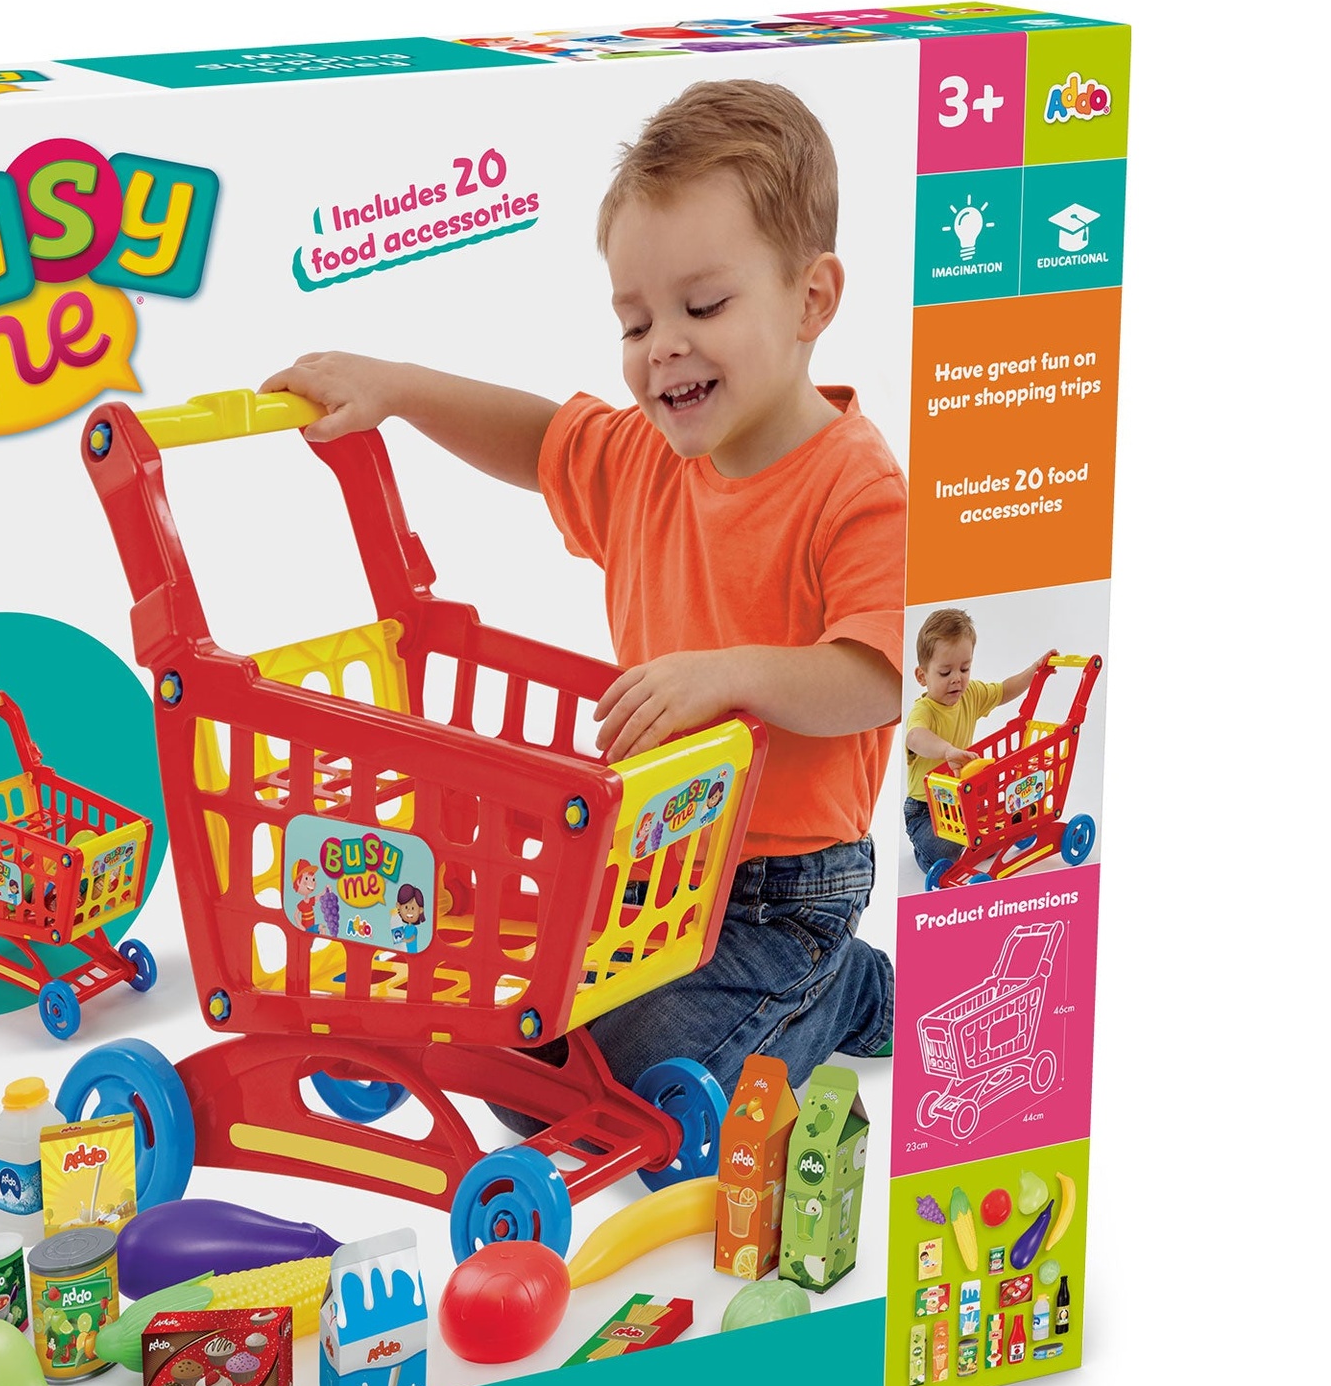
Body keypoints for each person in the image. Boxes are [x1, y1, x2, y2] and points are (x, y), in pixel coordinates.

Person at [263, 78, 901, 1102]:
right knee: (514, 1042)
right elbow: (537, 439)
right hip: (650, 856)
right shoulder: (648, 459)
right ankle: (803, 997)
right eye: (635, 322)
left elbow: (878, 676)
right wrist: (399, 389)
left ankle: (844, 988)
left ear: (812, 301)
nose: (663, 347)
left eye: (704, 306)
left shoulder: (854, 487)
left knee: (630, 1081)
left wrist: (730, 674)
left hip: (783, 892)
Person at [903, 608, 1055, 875]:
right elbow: (914, 737)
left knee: (991, 825)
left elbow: (1005, 690)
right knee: (947, 851)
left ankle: (981, 844)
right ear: (922, 676)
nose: (957, 678)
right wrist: (947, 750)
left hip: (961, 801)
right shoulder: (924, 710)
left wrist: (1034, 671)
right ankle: (926, 850)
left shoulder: (970, 694)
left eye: (965, 668)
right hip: (926, 810)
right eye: (945, 672)